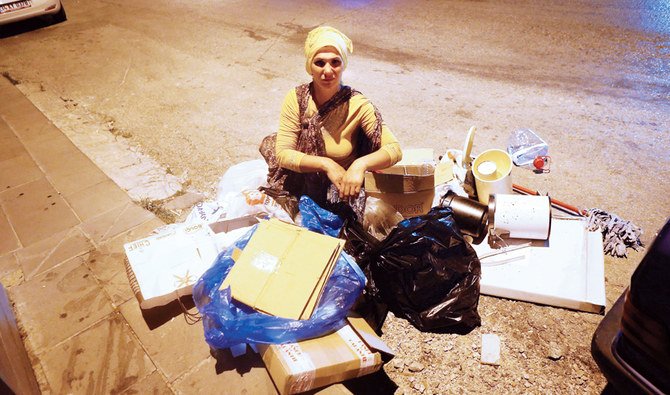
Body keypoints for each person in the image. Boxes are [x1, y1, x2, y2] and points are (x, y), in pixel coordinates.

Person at [259, 26, 402, 219]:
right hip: (300, 180)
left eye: (335, 62)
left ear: (344, 65)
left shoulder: (357, 104)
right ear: (310, 66)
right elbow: (284, 154)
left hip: (342, 187)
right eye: (320, 63)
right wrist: (326, 164)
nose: (328, 71)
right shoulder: (297, 99)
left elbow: (394, 149)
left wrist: (359, 165)